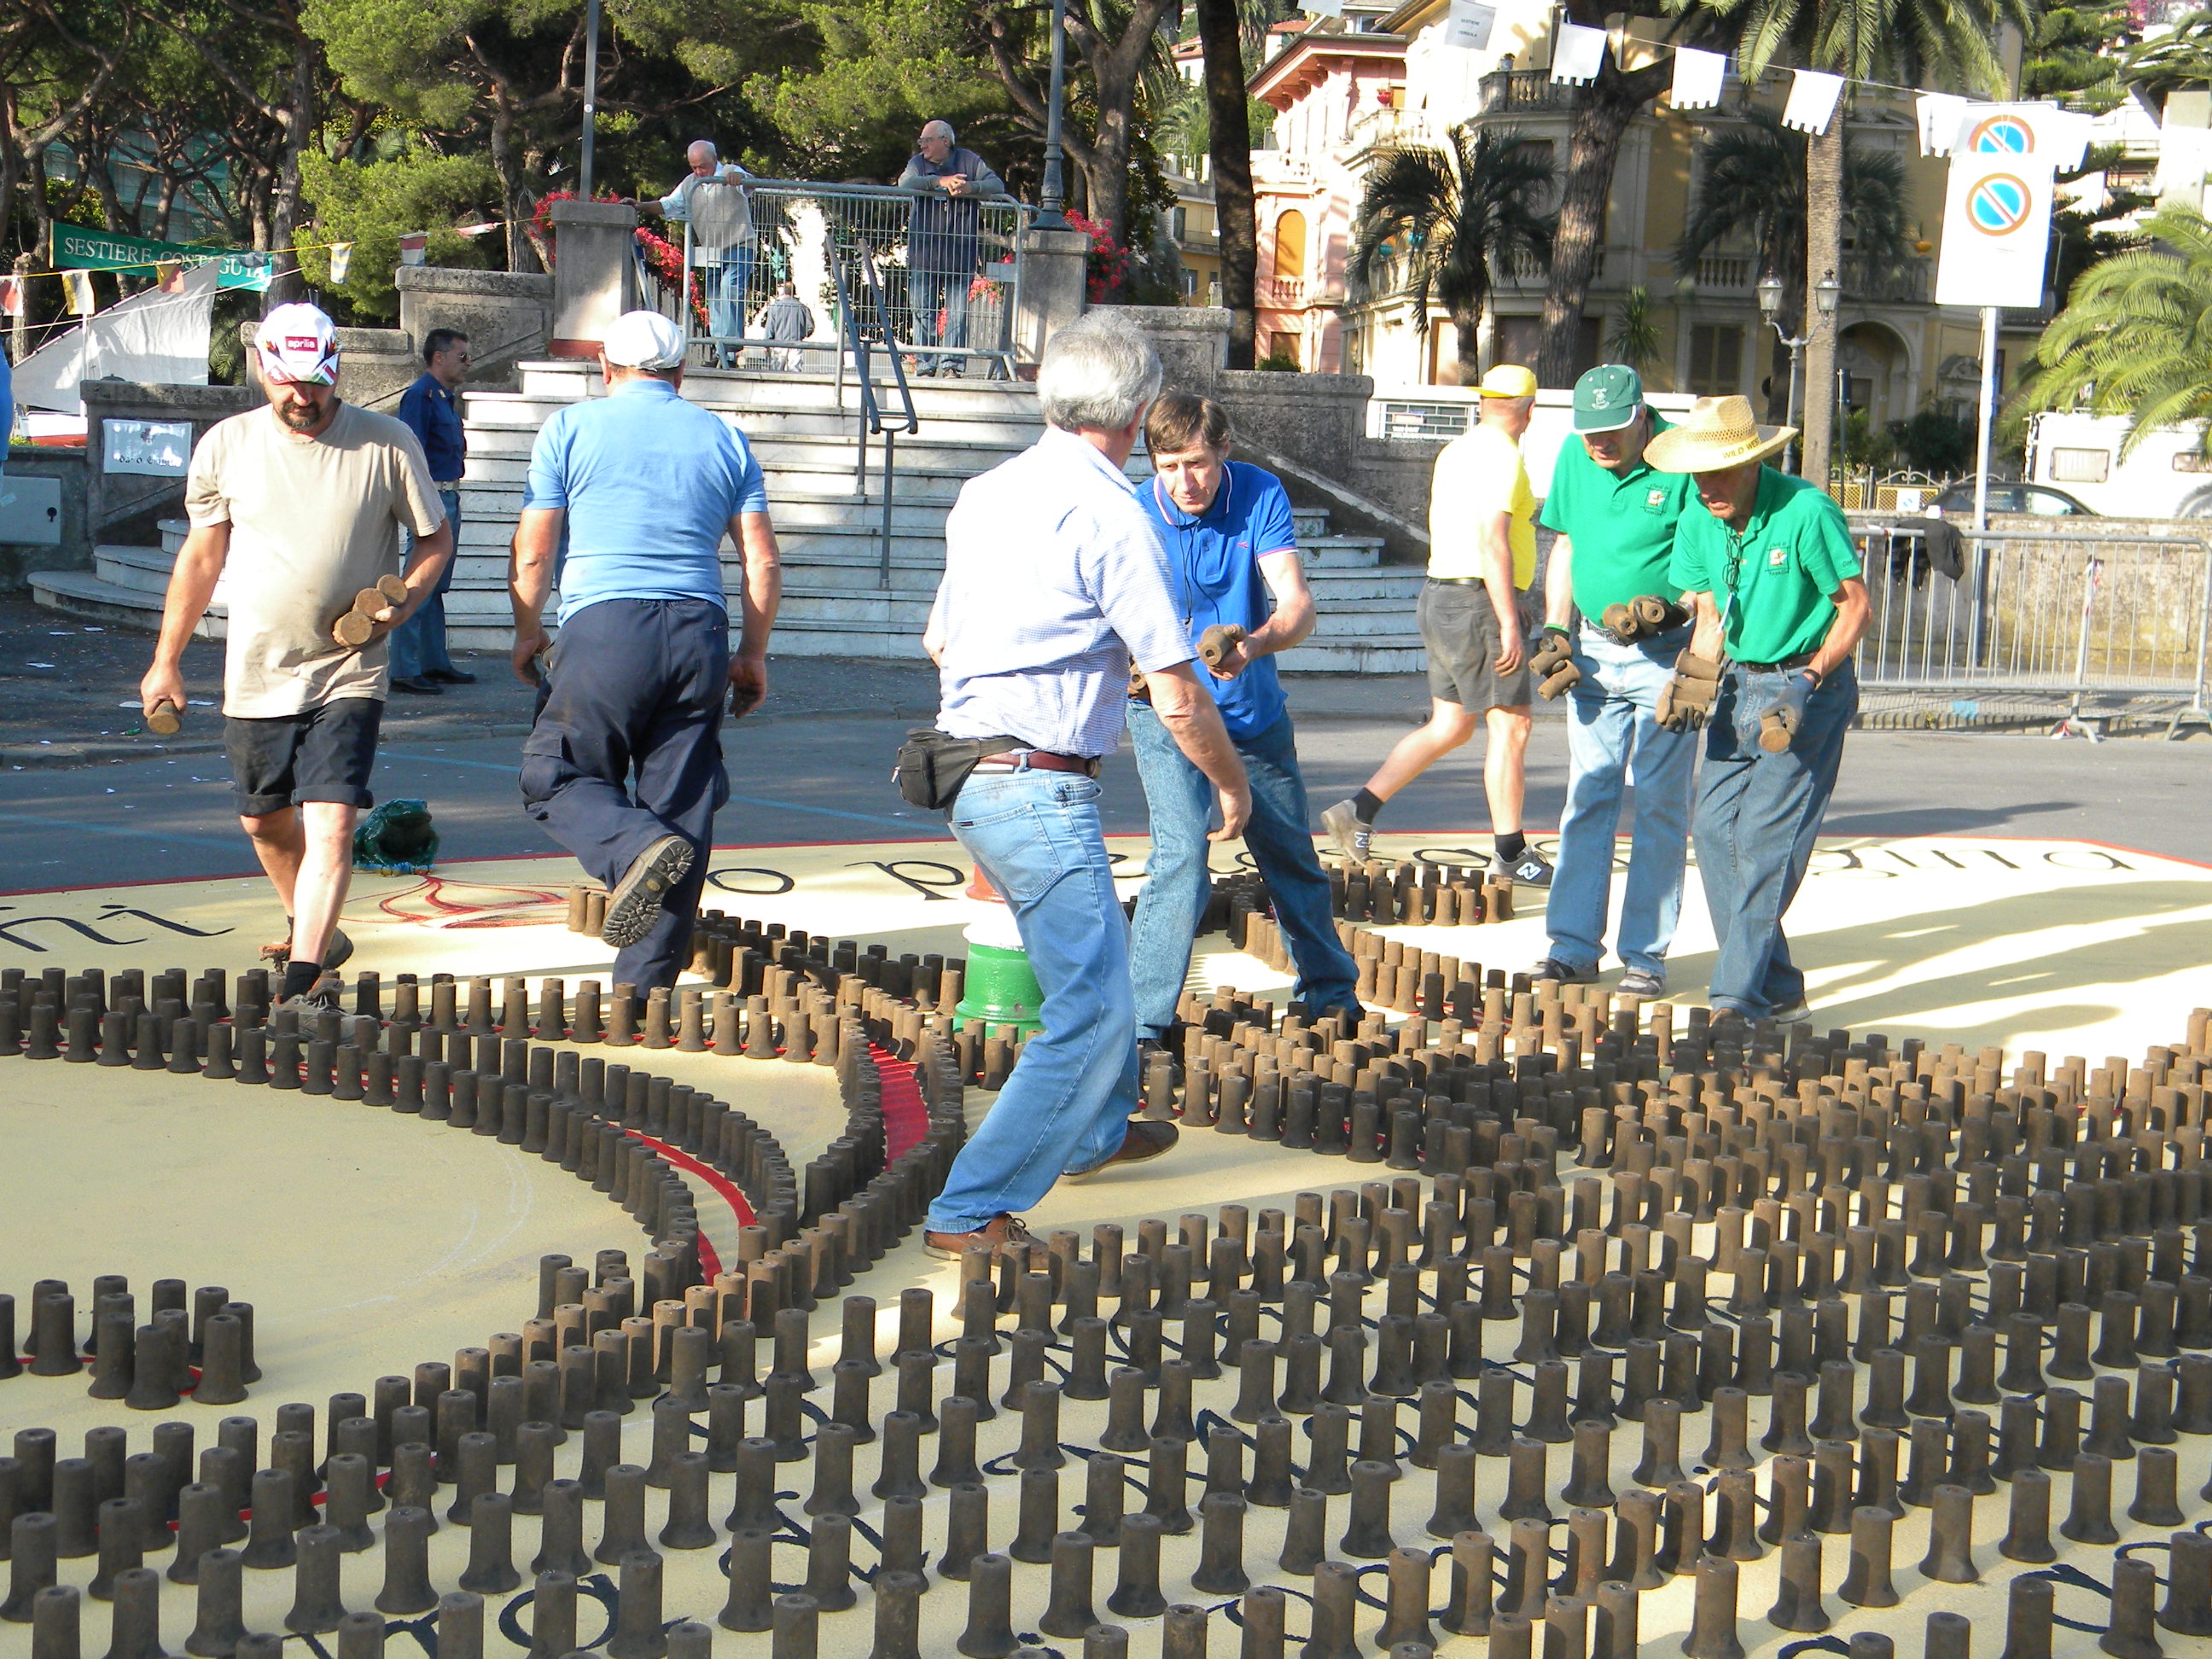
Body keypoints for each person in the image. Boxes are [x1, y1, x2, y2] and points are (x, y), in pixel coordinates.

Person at [918, 312, 1251, 1256]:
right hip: (1034, 782)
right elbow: (1179, 691)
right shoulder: (1114, 515)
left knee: (1094, 958)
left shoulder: (985, 492)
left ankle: (1098, 1131)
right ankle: (968, 1209)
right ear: (1142, 408)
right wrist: (1231, 785)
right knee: (1096, 1007)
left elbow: (938, 638)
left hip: (971, 769)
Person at [138, 303, 451, 1005]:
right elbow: (200, 559)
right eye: (288, 382)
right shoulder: (226, 445)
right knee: (263, 819)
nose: (302, 397)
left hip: (351, 666)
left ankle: (306, 976)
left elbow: (434, 542)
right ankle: (311, 921)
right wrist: (167, 661)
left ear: (335, 370)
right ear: (261, 368)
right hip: (258, 666)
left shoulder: (388, 442)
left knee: (333, 815)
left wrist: (404, 603)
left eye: (316, 383)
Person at [510, 310, 783, 992]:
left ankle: (631, 846)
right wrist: (752, 655)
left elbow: (536, 548)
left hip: (604, 628)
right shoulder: (724, 437)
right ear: (681, 371)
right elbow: (762, 562)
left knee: (557, 775)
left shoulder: (570, 428)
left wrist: (526, 631)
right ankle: (644, 990)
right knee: (680, 802)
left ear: (605, 366)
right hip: (700, 631)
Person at [1129, 391, 1359, 1043]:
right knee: (1178, 858)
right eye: (1169, 465)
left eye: (1197, 463)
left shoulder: (1260, 494)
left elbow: (1297, 605)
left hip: (1251, 712)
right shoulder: (1133, 511)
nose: (1185, 481)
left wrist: (1255, 644)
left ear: (1224, 451)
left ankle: (1329, 991)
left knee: (1288, 853)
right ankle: (1143, 1023)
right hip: (1167, 712)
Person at [1648, 393, 1871, 1026]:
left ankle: (1735, 999)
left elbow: (1854, 606)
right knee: (1715, 835)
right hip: (1737, 685)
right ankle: (1777, 987)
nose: (1707, 485)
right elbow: (1711, 611)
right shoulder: (1697, 513)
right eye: (1698, 470)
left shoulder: (1806, 510)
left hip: (1807, 690)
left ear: (1753, 462)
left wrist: (1809, 679)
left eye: (1720, 471)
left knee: (1764, 842)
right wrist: (1693, 675)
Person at [1320, 362, 1553, 885]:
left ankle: (1359, 810)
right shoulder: (1503, 456)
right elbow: (1493, 541)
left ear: (1482, 403)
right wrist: (1509, 622)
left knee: (1450, 724)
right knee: (1511, 726)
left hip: (1441, 596)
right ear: (1531, 411)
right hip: (1477, 602)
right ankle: (1511, 853)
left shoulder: (1458, 449)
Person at [1527, 364, 1700, 999]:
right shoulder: (1576, 457)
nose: (1599, 442)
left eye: (1612, 430)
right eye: (1589, 430)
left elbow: (1706, 559)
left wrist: (1673, 606)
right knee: (1589, 796)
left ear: (1642, 417)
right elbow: (1567, 547)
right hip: (1595, 653)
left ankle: (1645, 956)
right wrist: (1554, 626)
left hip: (1665, 657)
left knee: (1659, 804)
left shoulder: (1680, 458)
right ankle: (1571, 948)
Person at [389, 327, 473, 695]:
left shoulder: (443, 397)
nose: (467, 364)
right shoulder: (421, 396)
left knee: (437, 585)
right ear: (439, 357)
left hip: (449, 493)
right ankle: (404, 667)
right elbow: (412, 451)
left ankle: (433, 661)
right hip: (432, 496)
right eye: (462, 356)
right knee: (420, 579)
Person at [896, 120, 1004, 377]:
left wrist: (972, 188)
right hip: (924, 252)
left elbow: (997, 185)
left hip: (960, 252)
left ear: (945, 141)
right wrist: (940, 182)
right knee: (922, 310)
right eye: (921, 140)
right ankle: (925, 365)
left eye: (928, 140)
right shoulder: (917, 163)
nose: (922, 145)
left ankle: (952, 366)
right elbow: (905, 184)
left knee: (957, 314)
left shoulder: (969, 160)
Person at [657, 140, 755, 368]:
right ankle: (721, 351)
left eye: (702, 166)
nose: (698, 172)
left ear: (714, 160)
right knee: (714, 298)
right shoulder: (690, 183)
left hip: (740, 244)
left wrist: (740, 180)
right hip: (712, 250)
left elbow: (747, 183)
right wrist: (640, 206)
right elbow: (670, 204)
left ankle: (730, 348)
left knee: (729, 289)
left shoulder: (729, 171)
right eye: (694, 167)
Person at [757, 282, 814, 373]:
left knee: (777, 372)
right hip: (796, 343)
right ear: (794, 292)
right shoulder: (803, 308)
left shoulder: (775, 307)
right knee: (795, 371)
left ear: (783, 292)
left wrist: (766, 344)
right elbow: (810, 328)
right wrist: (801, 334)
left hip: (779, 343)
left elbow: (770, 328)